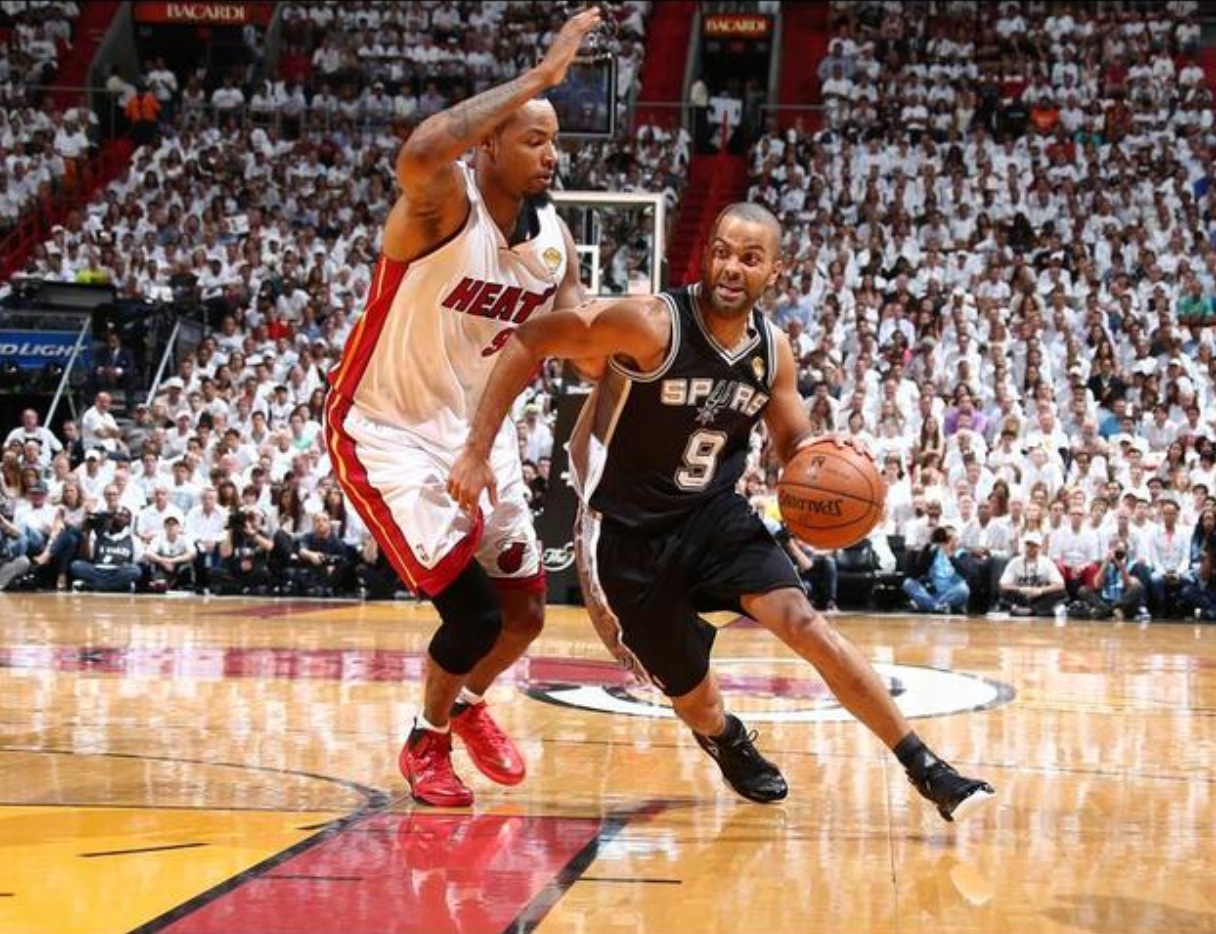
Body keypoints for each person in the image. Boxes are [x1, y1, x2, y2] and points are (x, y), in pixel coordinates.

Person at [450, 203, 995, 822]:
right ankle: (723, 737)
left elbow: (793, 447)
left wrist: (825, 452)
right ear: (706, 255)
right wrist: (475, 449)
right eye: (722, 251)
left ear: (776, 271)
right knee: (698, 699)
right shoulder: (648, 323)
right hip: (625, 536)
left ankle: (928, 769)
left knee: (805, 623)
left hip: (713, 514)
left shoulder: (773, 351)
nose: (732, 267)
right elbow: (530, 339)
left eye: (750, 257)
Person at [322, 8, 604, 808]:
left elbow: (576, 344)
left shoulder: (555, 245)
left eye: (555, 140)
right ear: (488, 145)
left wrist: (651, 345)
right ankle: (427, 740)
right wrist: (544, 76)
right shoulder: (442, 205)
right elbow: (417, 149)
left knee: (525, 619)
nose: (551, 153)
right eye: (533, 137)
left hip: (479, 434)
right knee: (474, 618)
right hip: (387, 429)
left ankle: (471, 703)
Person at [998, 530, 1067, 616]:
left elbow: (1060, 584)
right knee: (1005, 593)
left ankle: (1025, 610)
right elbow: (1003, 584)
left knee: (1061, 593)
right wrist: (1020, 589)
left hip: (1039, 596)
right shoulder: (1014, 562)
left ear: (1039, 547)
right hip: (1021, 595)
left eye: (1034, 546)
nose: (1030, 548)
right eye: (1028, 545)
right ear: (1024, 546)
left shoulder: (1046, 562)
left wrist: (1041, 590)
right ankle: (1037, 610)